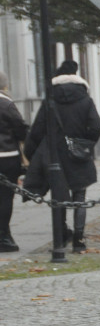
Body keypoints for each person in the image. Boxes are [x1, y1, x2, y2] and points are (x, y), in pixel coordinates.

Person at [23, 60, 100, 254]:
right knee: (79, 195)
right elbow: (97, 126)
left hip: (54, 155)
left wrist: (32, 155)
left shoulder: (50, 100)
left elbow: (37, 131)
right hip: (77, 154)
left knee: (58, 198)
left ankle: (59, 238)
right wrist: (85, 144)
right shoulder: (85, 99)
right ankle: (79, 239)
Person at [0, 70, 27, 253]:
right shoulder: (6, 104)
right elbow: (20, 129)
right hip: (6, 156)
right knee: (4, 198)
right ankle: (3, 236)